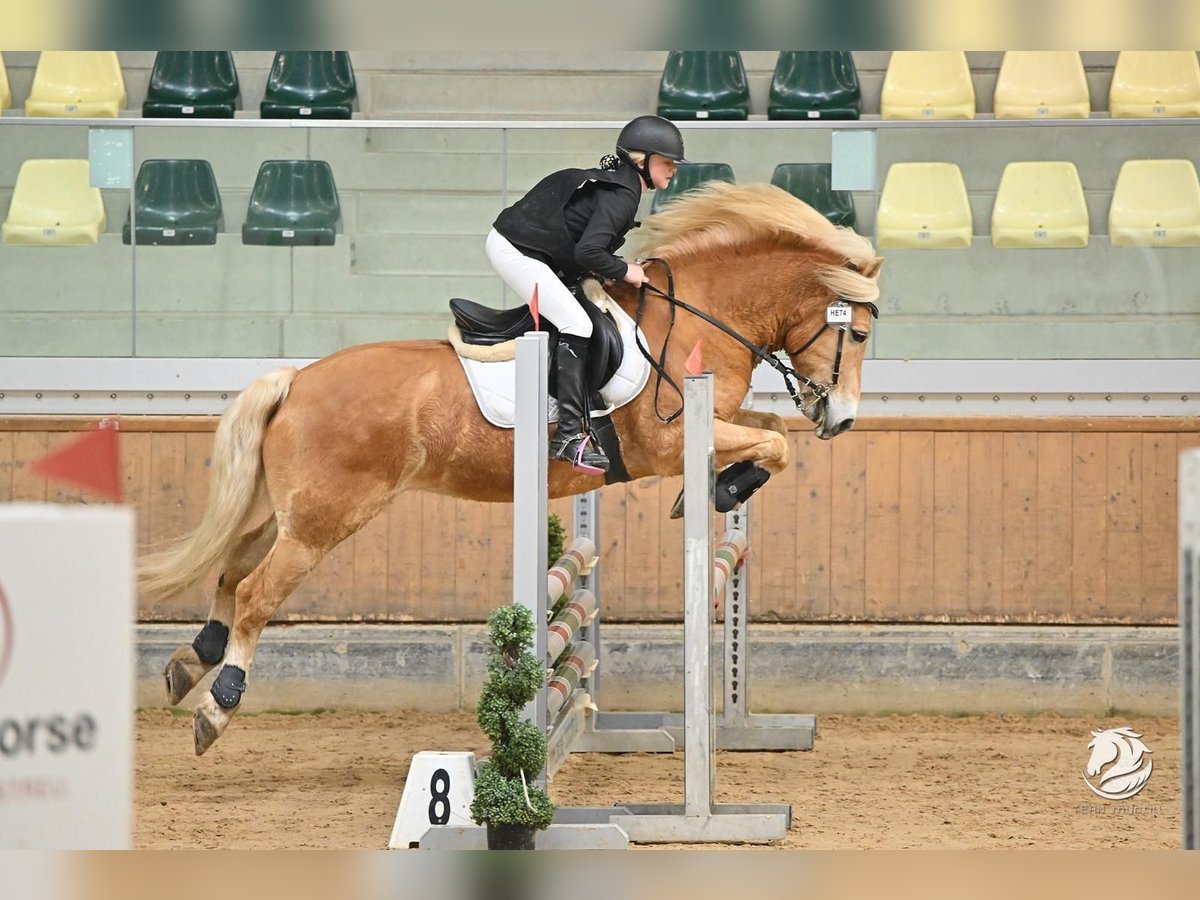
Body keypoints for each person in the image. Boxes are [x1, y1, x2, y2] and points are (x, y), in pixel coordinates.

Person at [487, 115, 686, 474]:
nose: (673, 169)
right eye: (667, 161)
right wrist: (627, 271)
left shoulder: (625, 187)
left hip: (535, 250)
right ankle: (567, 435)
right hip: (516, 250)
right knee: (578, 324)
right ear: (641, 160)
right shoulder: (624, 195)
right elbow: (588, 254)